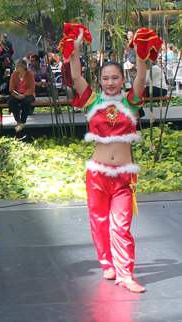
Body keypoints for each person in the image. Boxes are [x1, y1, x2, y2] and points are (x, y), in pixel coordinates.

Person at [70, 28, 147, 293]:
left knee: (121, 225)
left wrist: (139, 52)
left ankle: (126, 274)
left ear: (123, 79)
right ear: (100, 80)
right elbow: (77, 75)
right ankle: (107, 263)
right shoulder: (92, 101)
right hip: (97, 175)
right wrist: (76, 47)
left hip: (123, 176)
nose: (110, 82)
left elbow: (141, 76)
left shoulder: (132, 102)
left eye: (115, 77)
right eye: (105, 78)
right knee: (99, 222)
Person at [8, 58, 36, 132]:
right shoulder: (14, 75)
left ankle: (23, 121)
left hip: (28, 94)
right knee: (12, 101)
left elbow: (31, 88)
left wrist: (24, 95)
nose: (16, 67)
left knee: (26, 102)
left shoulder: (30, 74)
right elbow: (12, 88)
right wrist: (15, 94)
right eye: (15, 66)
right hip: (17, 94)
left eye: (18, 66)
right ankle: (18, 121)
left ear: (23, 67)